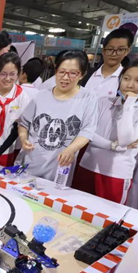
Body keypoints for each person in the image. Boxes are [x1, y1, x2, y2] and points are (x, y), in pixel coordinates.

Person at [74, 58, 138, 204]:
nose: (130, 85)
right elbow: (86, 132)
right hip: (88, 164)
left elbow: (125, 140)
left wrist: (129, 104)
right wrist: (113, 146)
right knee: (74, 209)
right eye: (126, 78)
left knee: (106, 214)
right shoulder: (104, 102)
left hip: (116, 172)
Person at [17, 50, 99, 182]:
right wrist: (23, 138)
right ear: (56, 70)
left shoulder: (88, 98)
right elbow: (23, 123)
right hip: (31, 162)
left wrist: (71, 149)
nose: (65, 78)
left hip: (59, 167)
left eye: (73, 73)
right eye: (62, 72)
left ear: (82, 74)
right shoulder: (40, 96)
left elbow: (87, 130)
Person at [83, 28, 134, 98]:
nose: (114, 54)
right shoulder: (86, 74)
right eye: (110, 49)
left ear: (127, 51)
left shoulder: (127, 81)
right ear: (103, 50)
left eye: (120, 50)